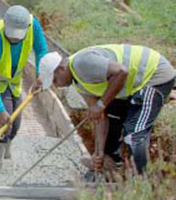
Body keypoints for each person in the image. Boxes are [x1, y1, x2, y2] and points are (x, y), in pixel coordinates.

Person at [38, 45, 175, 175]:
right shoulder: (79, 84)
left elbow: (122, 71)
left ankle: (141, 182)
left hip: (154, 75)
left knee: (134, 133)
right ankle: (113, 164)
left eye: (55, 80)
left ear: (60, 69)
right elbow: (100, 117)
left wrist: (101, 104)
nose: (57, 85)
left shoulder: (82, 63)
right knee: (113, 114)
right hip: (136, 86)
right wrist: (99, 151)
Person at [0, 5, 48, 172]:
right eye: (11, 34)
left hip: (12, 82)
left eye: (18, 36)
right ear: (5, 23)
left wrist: (40, 74)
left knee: (15, 122)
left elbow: (41, 50)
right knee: (0, 124)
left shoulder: (32, 25)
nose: (14, 39)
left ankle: (5, 147)